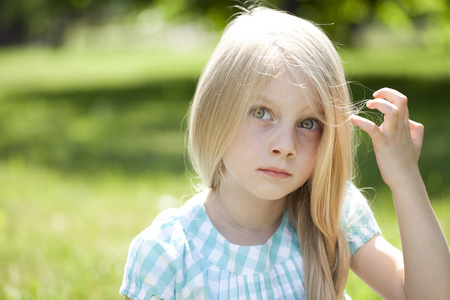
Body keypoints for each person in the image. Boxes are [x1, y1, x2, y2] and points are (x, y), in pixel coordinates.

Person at [120, 6, 450, 300]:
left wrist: (406, 178)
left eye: (308, 122)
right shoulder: (167, 255)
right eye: (261, 113)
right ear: (213, 112)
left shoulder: (332, 211)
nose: (286, 146)